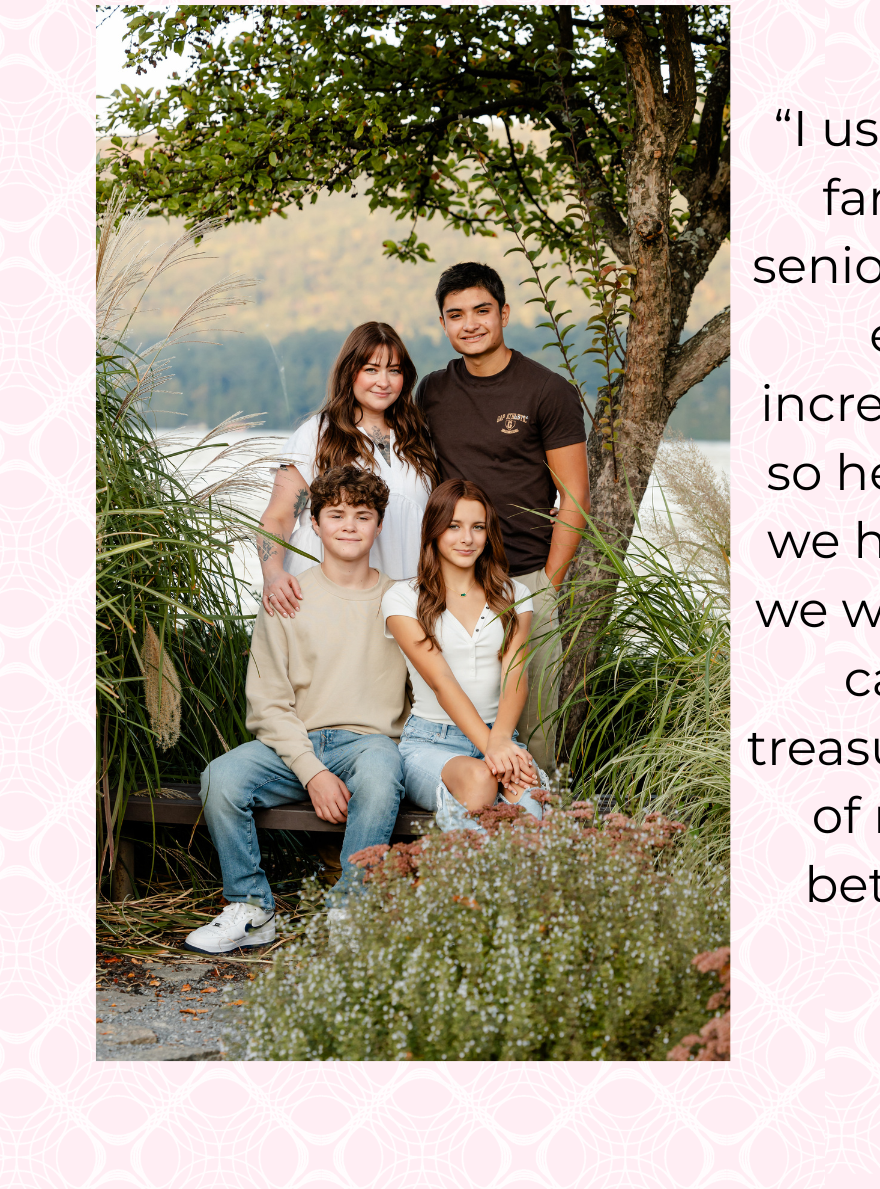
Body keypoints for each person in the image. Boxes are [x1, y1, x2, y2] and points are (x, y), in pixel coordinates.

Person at [186, 466, 409, 954]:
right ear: (315, 521)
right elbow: (267, 704)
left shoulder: (401, 599)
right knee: (219, 779)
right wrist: (311, 772)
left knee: (380, 769)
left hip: (369, 742)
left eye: (363, 515)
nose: (349, 525)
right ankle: (251, 908)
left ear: (379, 524)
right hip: (294, 744)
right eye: (337, 514)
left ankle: (351, 909)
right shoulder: (288, 595)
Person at [415, 263, 589, 769]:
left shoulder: (546, 391)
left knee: (533, 730)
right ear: (444, 324)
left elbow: (574, 495)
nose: (469, 324)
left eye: (481, 311)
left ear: (504, 313)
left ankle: (533, 836)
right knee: (453, 720)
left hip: (524, 579)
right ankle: (465, 830)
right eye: (455, 315)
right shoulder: (433, 391)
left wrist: (547, 584)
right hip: (453, 583)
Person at [382, 479, 548, 830]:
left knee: (531, 811)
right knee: (480, 779)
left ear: (489, 534)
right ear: (434, 530)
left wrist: (502, 741)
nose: (466, 538)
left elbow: (515, 673)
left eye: (477, 527)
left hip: (503, 734)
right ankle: (463, 883)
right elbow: (441, 682)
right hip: (432, 742)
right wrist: (493, 750)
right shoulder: (403, 598)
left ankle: (494, 883)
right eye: (454, 526)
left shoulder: (514, 593)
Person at [257, 321, 440, 619]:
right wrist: (273, 573)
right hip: (328, 592)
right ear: (349, 372)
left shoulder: (418, 437)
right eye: (371, 369)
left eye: (394, 370)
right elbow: (277, 517)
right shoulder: (316, 435)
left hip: (405, 592)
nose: (383, 381)